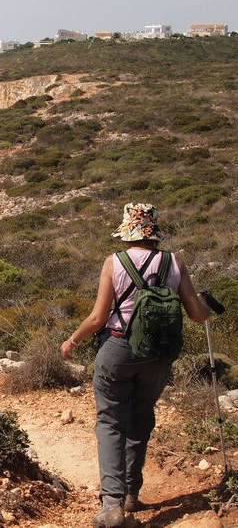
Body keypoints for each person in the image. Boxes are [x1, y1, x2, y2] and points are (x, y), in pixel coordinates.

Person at [60, 204, 210, 528]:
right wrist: (209, 305)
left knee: (110, 422)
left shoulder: (115, 262)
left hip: (118, 349)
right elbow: (197, 315)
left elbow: (99, 317)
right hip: (158, 355)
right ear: (154, 234)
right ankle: (131, 494)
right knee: (141, 419)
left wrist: (72, 340)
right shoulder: (174, 262)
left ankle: (113, 505)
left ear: (128, 233)